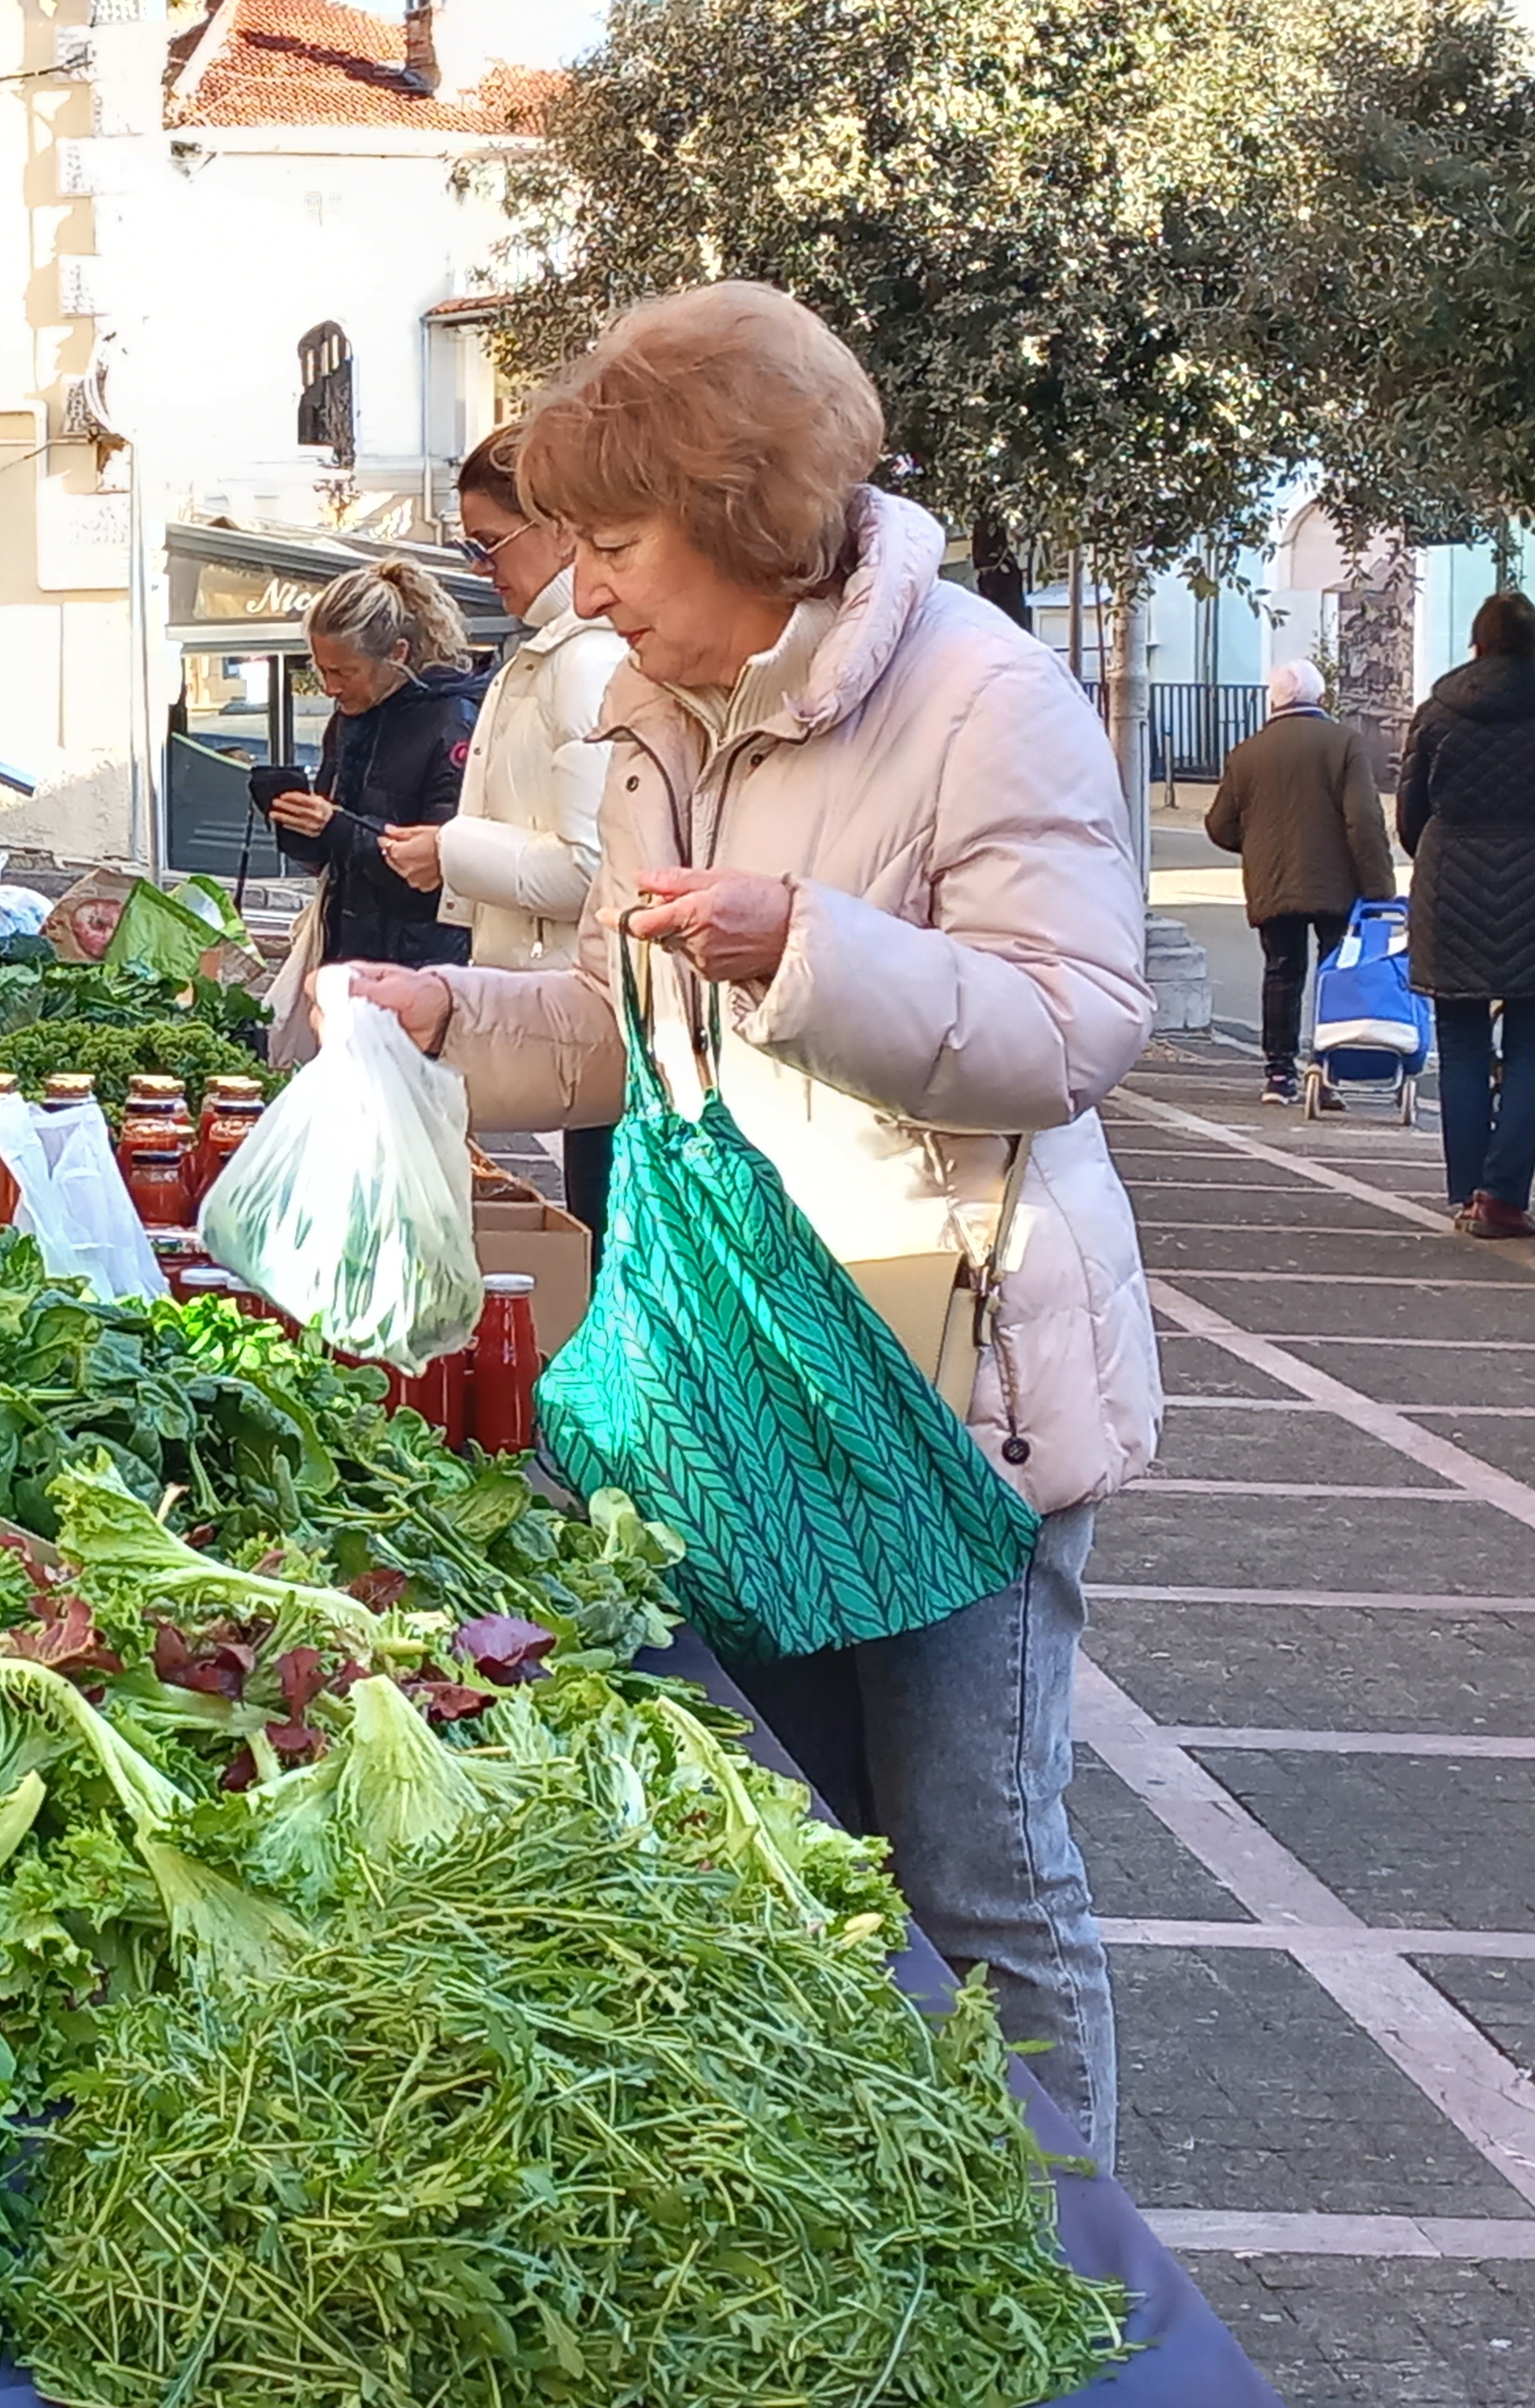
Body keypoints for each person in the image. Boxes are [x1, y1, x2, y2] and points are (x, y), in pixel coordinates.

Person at [346, 283, 1160, 2170]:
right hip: (741, 1377)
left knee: (977, 1862)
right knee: (800, 1835)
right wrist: (447, 1022)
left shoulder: (976, 696)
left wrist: (806, 946)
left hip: (939, 1372)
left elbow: (1069, 1030)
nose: (587, 587)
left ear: (743, 518)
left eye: (613, 544)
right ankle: (885, 2206)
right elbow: (629, 1028)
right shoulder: (649, 717)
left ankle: (1061, 2268)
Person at [379, 420, 629, 1236]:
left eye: (490, 544)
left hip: (586, 1015)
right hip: (556, 1008)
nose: (482, 570)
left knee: (601, 1237)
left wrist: (450, 850)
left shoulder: (585, 661)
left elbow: (590, 867)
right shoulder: (555, 654)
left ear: (559, 530)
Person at [262, 562, 481, 971]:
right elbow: (332, 856)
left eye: (345, 672)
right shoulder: (349, 719)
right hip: (349, 951)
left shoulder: (454, 722)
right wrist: (300, 826)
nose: (330, 688)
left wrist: (335, 826)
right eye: (321, 670)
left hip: (426, 964)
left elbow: (438, 871)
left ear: (398, 653)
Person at [1399, 589, 1535, 1239]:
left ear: (1477, 643)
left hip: (1451, 887)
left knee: (1461, 1042)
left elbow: (1410, 815)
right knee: (1533, 1046)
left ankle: (1468, 1189)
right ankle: (1504, 1196)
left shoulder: (1438, 711)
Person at [1205, 658, 1397, 1106]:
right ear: (1320, 698)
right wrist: (1379, 889)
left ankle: (1278, 1072)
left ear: (1273, 700)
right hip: (1337, 884)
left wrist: (1258, 847)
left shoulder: (1246, 753)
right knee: (1336, 974)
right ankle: (1325, 1066)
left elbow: (1219, 825)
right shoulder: (1344, 744)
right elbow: (1364, 821)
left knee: (1282, 970)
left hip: (1274, 883)